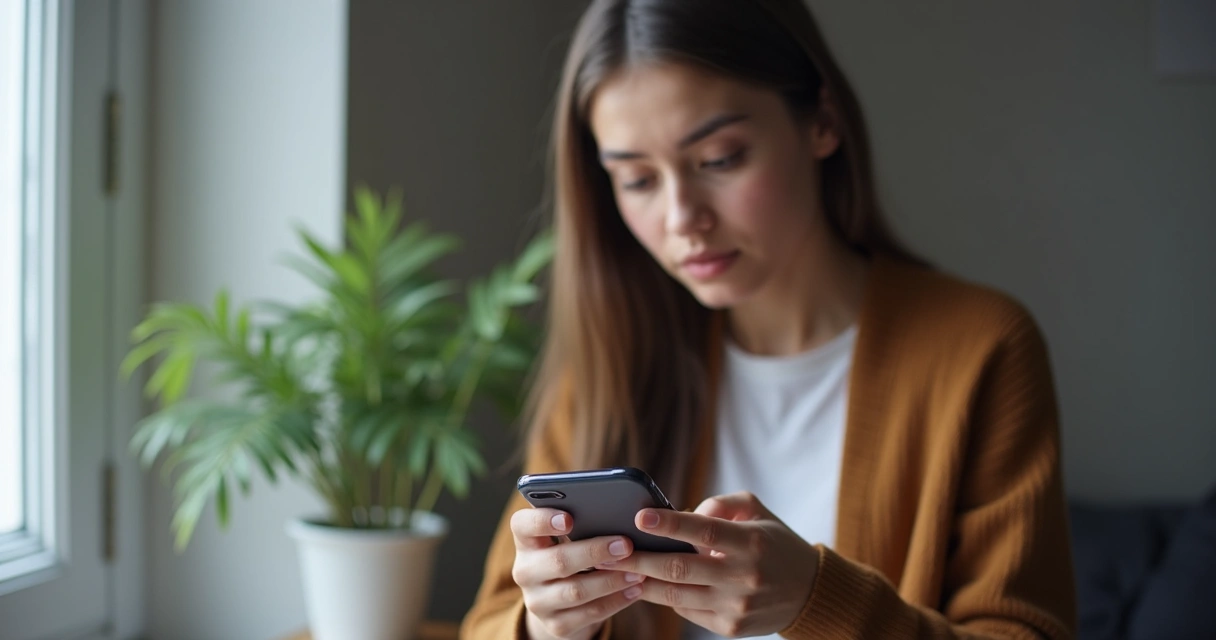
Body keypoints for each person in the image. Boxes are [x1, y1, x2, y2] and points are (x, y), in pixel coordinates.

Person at [461, 0, 1076, 638]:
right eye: (638, 180)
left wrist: (816, 600)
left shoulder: (980, 348)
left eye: (720, 159)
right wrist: (546, 627)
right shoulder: (616, 360)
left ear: (823, 122)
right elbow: (486, 623)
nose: (682, 219)